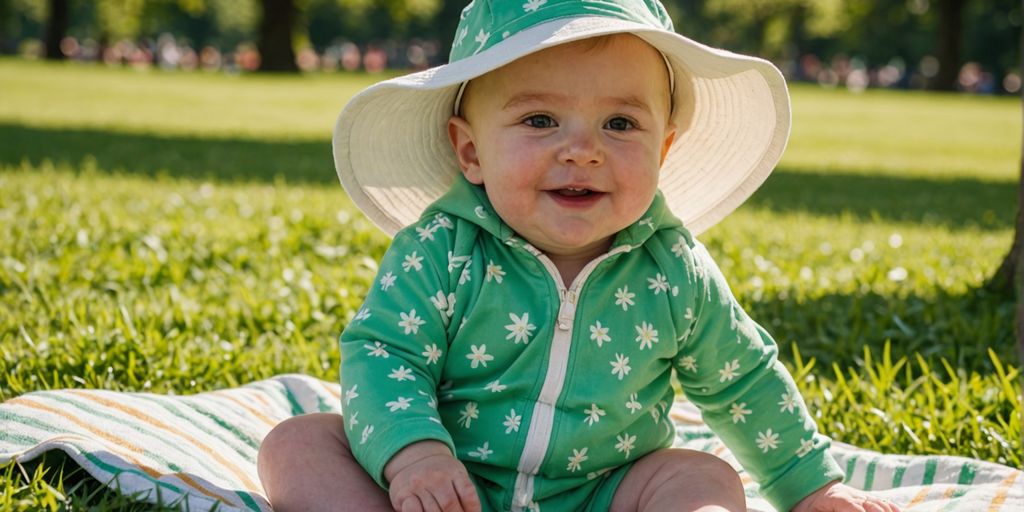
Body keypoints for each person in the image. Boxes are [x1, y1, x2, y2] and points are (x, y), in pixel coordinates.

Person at [257, 1, 901, 511]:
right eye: (539, 120)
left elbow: (743, 380)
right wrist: (417, 457)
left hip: (606, 489)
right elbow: (383, 354)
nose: (583, 150)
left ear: (664, 151)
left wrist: (811, 487)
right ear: (471, 151)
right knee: (299, 444)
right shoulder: (441, 251)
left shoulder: (672, 270)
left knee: (699, 477)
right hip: (447, 487)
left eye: (620, 125)